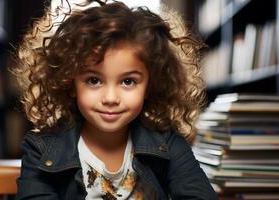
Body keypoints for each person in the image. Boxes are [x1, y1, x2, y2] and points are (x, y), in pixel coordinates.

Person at [14, 0, 217, 199]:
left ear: (150, 85)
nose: (110, 98)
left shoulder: (169, 142)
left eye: (128, 81)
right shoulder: (41, 148)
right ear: (70, 83)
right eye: (93, 80)